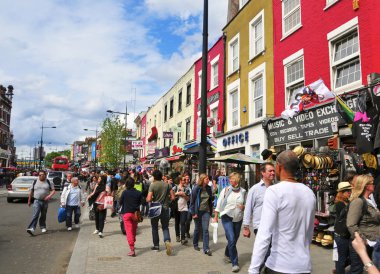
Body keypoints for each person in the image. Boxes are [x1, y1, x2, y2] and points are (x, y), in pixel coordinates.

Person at [249, 150, 316, 274]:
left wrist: (253, 269)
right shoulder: (309, 193)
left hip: (279, 265)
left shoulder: (274, 191)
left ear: (279, 166)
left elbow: (264, 234)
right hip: (303, 266)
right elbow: (309, 232)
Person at [347, 174, 380, 274]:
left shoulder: (370, 201)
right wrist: (363, 241)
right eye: (372, 183)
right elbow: (351, 224)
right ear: (366, 186)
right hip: (365, 244)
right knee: (358, 271)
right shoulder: (358, 202)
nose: (374, 185)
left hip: (374, 243)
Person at [214, 172, 246, 273]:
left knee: (234, 240)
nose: (230, 180)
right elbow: (219, 203)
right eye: (230, 179)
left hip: (238, 218)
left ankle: (228, 253)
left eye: (231, 179)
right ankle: (235, 263)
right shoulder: (226, 190)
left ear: (236, 180)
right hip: (226, 217)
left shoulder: (243, 191)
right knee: (231, 239)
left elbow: (246, 204)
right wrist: (215, 217)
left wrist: (243, 207)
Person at [146, 169, 175, 255]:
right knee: (165, 227)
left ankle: (156, 246)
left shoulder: (152, 185)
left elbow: (149, 198)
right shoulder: (167, 185)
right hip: (165, 208)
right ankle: (167, 241)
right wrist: (167, 201)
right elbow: (173, 197)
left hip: (155, 208)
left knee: (154, 227)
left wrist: (150, 199)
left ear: (154, 177)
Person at [243, 163, 275, 237]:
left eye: (273, 171)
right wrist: (246, 227)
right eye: (270, 171)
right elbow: (248, 208)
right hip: (260, 227)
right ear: (263, 172)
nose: (273, 173)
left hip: (275, 227)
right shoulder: (255, 189)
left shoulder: (276, 189)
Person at [190, 173, 213, 256]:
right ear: (202, 179)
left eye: (208, 179)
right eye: (206, 179)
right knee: (197, 228)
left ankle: (206, 248)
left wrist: (211, 211)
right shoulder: (196, 188)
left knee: (205, 229)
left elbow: (210, 200)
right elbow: (192, 201)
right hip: (197, 211)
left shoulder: (209, 188)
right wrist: (193, 213)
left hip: (206, 211)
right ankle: (195, 243)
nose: (208, 180)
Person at [26, 170, 56, 235]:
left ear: (45, 175)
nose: (41, 176)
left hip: (45, 201)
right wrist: (29, 200)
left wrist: (49, 196)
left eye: (43, 174)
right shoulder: (35, 182)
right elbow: (31, 192)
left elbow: (53, 191)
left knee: (43, 215)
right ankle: (31, 228)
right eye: (40, 175)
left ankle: (43, 227)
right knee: (35, 214)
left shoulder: (48, 182)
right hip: (37, 201)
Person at [119, 177, 143, 257]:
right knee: (133, 230)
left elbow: (120, 202)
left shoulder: (125, 192)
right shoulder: (138, 193)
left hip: (126, 214)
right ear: (133, 184)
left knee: (128, 231)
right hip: (135, 214)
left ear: (126, 184)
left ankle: (132, 249)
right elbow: (142, 202)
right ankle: (133, 241)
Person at [333, 182, 353, 274]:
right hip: (341, 236)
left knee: (344, 259)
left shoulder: (347, 202)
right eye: (348, 191)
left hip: (344, 235)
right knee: (341, 260)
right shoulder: (339, 204)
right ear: (342, 192)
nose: (350, 192)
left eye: (350, 190)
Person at [173, 175, 191, 244]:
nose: (185, 181)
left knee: (183, 222)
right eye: (183, 180)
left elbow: (188, 199)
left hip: (184, 207)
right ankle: (177, 235)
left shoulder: (187, 189)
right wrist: (177, 193)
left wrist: (184, 195)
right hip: (176, 207)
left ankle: (183, 238)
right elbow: (171, 196)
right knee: (177, 222)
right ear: (180, 181)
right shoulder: (175, 188)